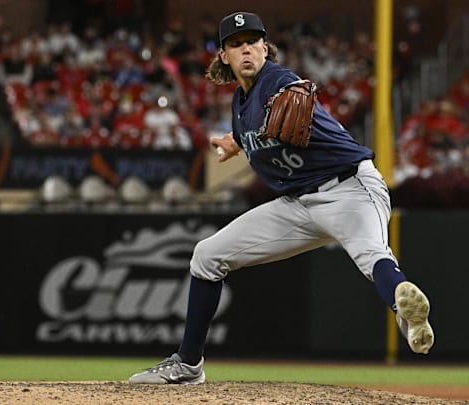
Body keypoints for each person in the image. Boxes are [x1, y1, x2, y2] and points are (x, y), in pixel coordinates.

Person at [128, 11, 434, 385]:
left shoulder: (277, 78)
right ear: (223, 55)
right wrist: (233, 142)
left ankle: (406, 311)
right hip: (297, 206)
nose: (247, 50)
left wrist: (289, 93)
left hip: (350, 190)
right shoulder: (240, 106)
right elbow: (254, 130)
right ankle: (188, 365)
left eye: (253, 42)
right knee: (207, 256)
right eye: (236, 44)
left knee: (372, 254)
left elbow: (289, 90)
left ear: (265, 48)